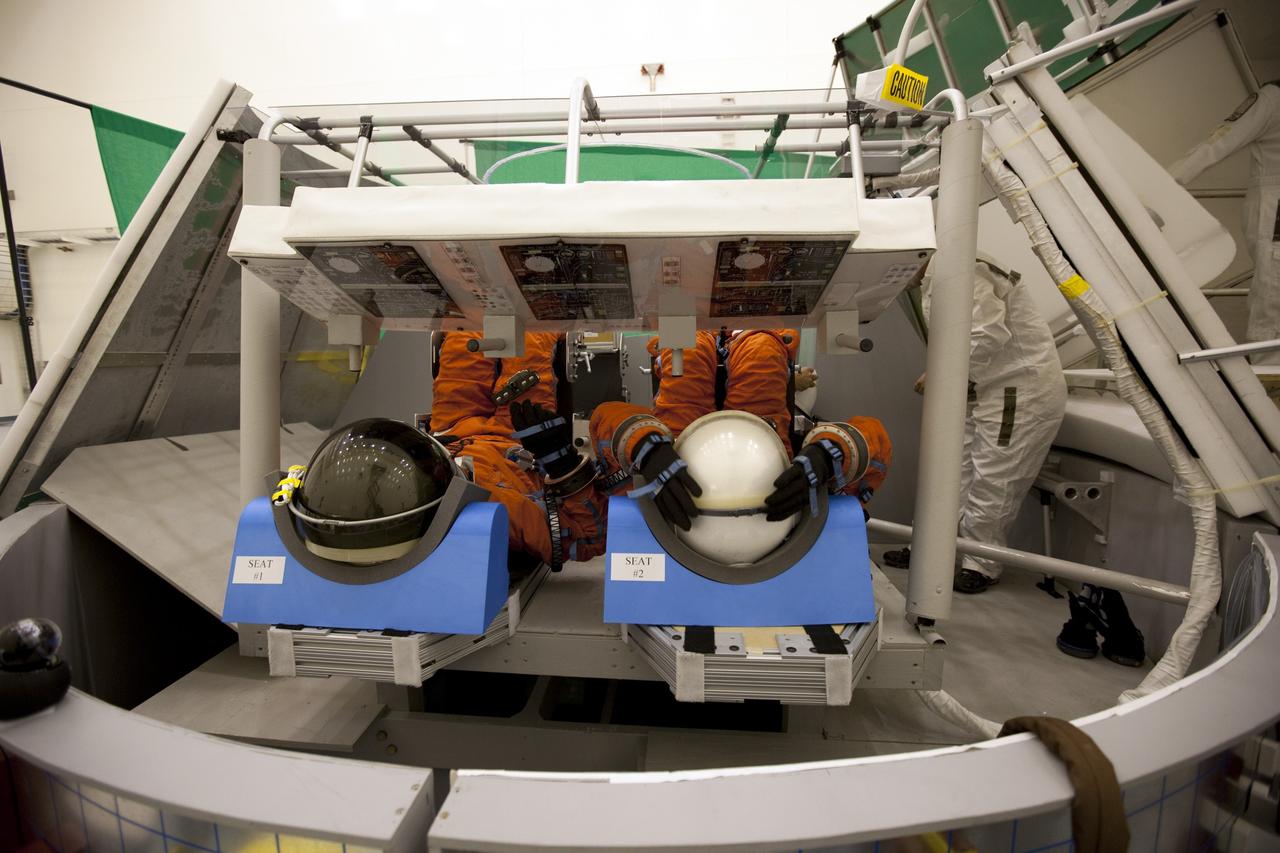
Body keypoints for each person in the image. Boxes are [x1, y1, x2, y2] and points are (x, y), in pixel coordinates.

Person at [591, 328, 893, 539]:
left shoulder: (644, 488)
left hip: (682, 491)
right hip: (767, 500)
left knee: (696, 350)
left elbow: (606, 418)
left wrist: (645, 447)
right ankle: (746, 338)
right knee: (757, 350)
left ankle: (730, 338)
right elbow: (874, 441)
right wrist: (828, 453)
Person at [917, 256, 1068, 594]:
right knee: (953, 473)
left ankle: (981, 564)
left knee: (993, 478)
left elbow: (986, 334)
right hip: (986, 386)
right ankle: (936, 552)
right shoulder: (938, 276)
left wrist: (940, 372)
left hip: (1018, 391)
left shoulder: (967, 269)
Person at [1169, 82, 1280, 363]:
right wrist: (1164, 186)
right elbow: (1218, 143)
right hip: (1275, 211)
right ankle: (1271, 372)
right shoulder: (1273, 98)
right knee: (1273, 294)